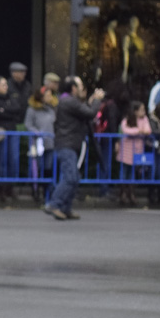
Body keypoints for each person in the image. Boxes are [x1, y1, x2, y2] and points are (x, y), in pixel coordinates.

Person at [44, 75, 104, 220]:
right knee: (70, 176)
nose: (82, 89)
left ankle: (65, 208)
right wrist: (97, 100)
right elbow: (90, 114)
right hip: (67, 144)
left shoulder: (68, 101)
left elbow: (83, 112)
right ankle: (54, 204)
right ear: (73, 88)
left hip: (70, 143)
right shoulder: (68, 101)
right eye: (80, 86)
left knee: (75, 177)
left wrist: (89, 102)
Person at [117, 101, 152, 206]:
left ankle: (131, 194)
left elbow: (148, 130)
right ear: (135, 111)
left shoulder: (144, 119)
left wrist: (139, 131)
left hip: (137, 150)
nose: (144, 112)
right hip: (126, 149)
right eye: (141, 110)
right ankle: (123, 193)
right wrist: (138, 131)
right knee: (124, 172)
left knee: (133, 173)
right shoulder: (127, 119)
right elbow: (125, 130)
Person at [25, 88, 56, 202]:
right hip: (36, 142)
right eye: (48, 95)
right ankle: (35, 190)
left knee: (48, 166)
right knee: (35, 167)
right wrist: (36, 132)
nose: (50, 98)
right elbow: (28, 124)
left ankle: (46, 191)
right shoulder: (32, 109)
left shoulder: (51, 109)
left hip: (49, 142)